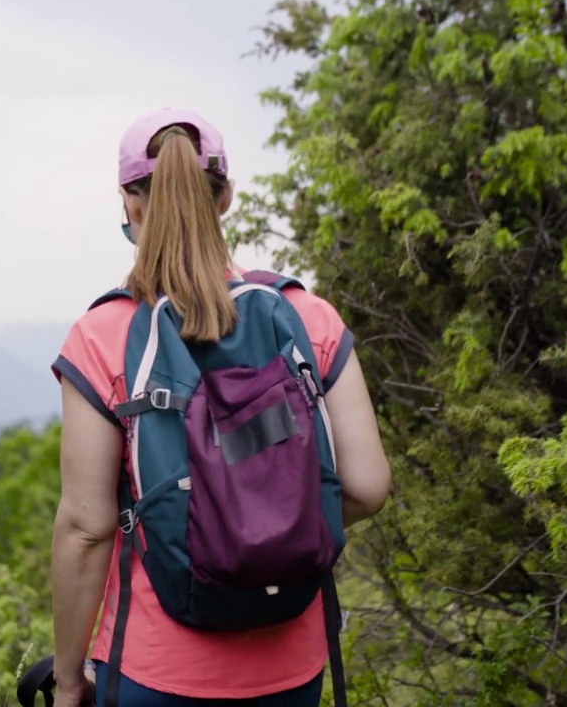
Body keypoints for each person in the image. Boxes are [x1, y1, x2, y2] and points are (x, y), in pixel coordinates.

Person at [48, 107, 392, 707]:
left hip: (151, 671)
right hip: (291, 668)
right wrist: (269, 526)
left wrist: (71, 679)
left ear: (130, 203)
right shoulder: (308, 318)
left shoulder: (103, 334)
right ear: (226, 195)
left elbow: (86, 528)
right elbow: (365, 486)